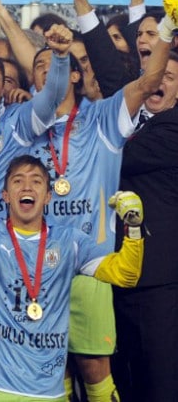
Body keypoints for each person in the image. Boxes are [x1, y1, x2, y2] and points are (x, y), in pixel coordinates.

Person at [0, 155, 145, 401]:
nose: (27, 187)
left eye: (36, 181)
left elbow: (125, 274)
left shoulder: (70, 242)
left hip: (48, 394)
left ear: (49, 196)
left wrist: (134, 229)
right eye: (18, 181)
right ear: (6, 195)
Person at [28, 4, 174, 401]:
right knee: (57, 374)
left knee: (120, 377)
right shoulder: (22, 124)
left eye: (169, 77)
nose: (47, 70)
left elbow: (139, 83)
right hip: (48, 268)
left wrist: (165, 29)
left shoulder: (106, 121)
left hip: (121, 271)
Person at [112, 49, 178, 402]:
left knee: (160, 378)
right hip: (118, 270)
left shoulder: (173, 126)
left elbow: (121, 155)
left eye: (168, 78)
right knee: (125, 377)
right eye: (155, 76)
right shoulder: (130, 119)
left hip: (158, 277)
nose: (159, 83)